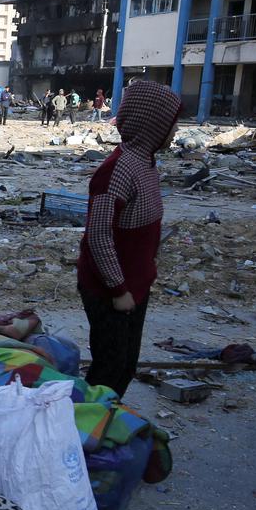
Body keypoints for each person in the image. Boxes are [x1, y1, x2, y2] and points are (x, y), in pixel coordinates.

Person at [75, 81, 182, 397]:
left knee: (126, 365)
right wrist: (118, 289)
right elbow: (98, 235)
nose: (176, 129)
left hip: (133, 286)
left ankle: (105, 427)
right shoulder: (116, 170)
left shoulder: (145, 162)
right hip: (110, 290)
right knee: (109, 370)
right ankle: (88, 432)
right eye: (171, 122)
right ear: (153, 124)